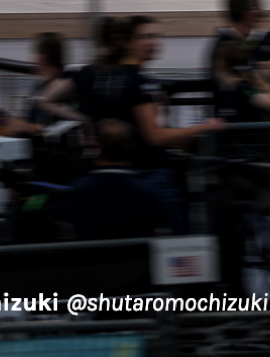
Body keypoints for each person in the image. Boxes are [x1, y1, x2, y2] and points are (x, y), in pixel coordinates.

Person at [71, 15, 224, 232]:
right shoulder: (138, 83)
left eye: (156, 36)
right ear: (128, 42)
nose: (153, 42)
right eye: (145, 37)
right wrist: (204, 127)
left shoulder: (109, 77)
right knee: (179, 237)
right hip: (150, 173)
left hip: (127, 171)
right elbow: (154, 136)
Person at [61, 120, 168, 240]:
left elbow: (67, 232)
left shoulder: (77, 189)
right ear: (131, 147)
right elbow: (158, 234)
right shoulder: (148, 191)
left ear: (96, 146)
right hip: (135, 256)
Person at [212, 0, 270, 86]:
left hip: (268, 98)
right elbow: (229, 74)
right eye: (254, 8)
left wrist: (253, 66)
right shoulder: (223, 42)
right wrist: (265, 67)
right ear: (242, 12)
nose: (258, 12)